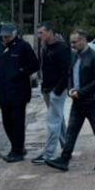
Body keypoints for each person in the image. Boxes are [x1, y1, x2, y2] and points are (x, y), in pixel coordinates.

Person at [47, 30, 95, 172]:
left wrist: (81, 92)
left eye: (74, 42)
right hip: (78, 101)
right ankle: (64, 159)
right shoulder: (75, 57)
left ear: (83, 40)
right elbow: (70, 76)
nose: (72, 45)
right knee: (71, 131)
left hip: (93, 101)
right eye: (71, 42)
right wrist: (70, 90)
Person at [0, 23, 39, 162]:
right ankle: (16, 146)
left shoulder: (23, 46)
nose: (4, 38)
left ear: (14, 34)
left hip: (18, 91)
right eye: (3, 36)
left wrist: (20, 72)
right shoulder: (1, 46)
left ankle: (17, 151)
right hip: (3, 91)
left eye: (7, 36)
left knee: (17, 122)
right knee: (7, 122)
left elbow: (34, 65)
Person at [33, 24, 71, 164]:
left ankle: (49, 154)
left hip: (57, 90)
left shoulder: (62, 48)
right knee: (58, 120)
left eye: (41, 32)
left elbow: (66, 71)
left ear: (50, 32)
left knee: (53, 122)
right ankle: (67, 148)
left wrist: (57, 90)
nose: (39, 35)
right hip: (47, 89)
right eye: (38, 33)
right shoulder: (44, 47)